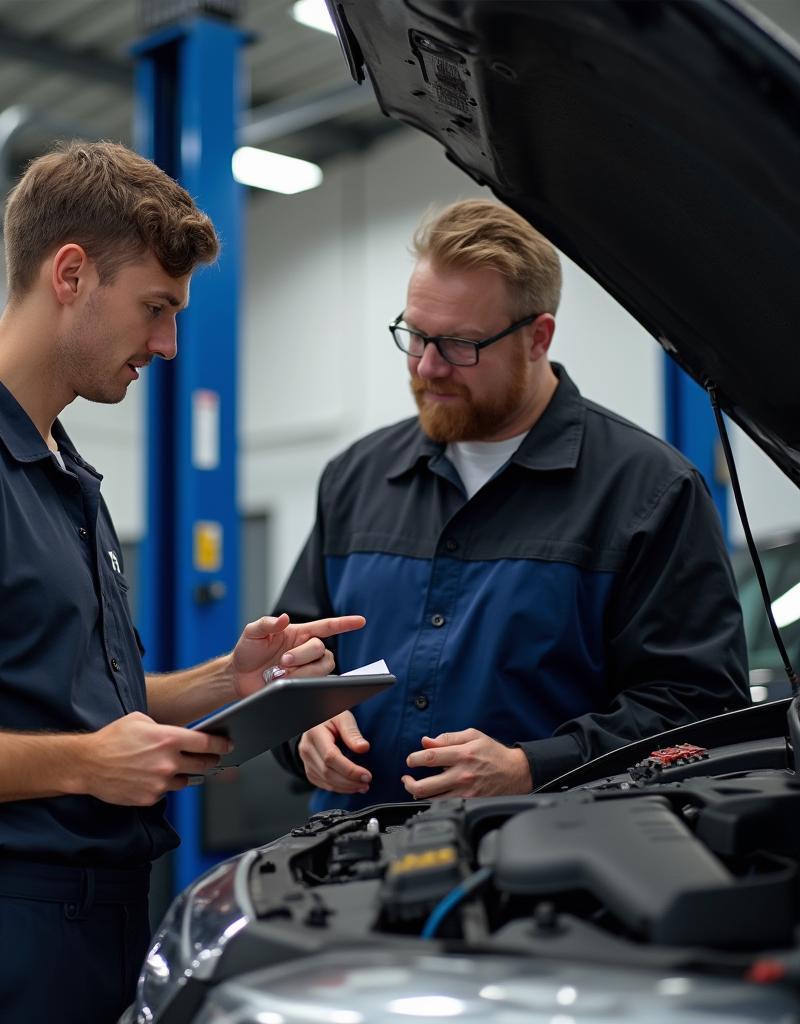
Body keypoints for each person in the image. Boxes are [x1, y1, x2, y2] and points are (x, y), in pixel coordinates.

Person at [0, 141, 363, 1024]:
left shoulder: (60, 470)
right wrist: (85, 766)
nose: (169, 344)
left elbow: (73, 709)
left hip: (90, 927)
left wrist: (232, 681)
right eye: (155, 307)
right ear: (70, 273)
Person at [273, 197, 748, 811]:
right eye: (415, 335)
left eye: (460, 345)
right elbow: (288, 665)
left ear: (537, 337)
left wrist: (534, 768)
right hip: (352, 865)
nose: (427, 366)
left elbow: (698, 710)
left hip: (550, 872)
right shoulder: (356, 479)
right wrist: (303, 729)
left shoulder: (648, 491)